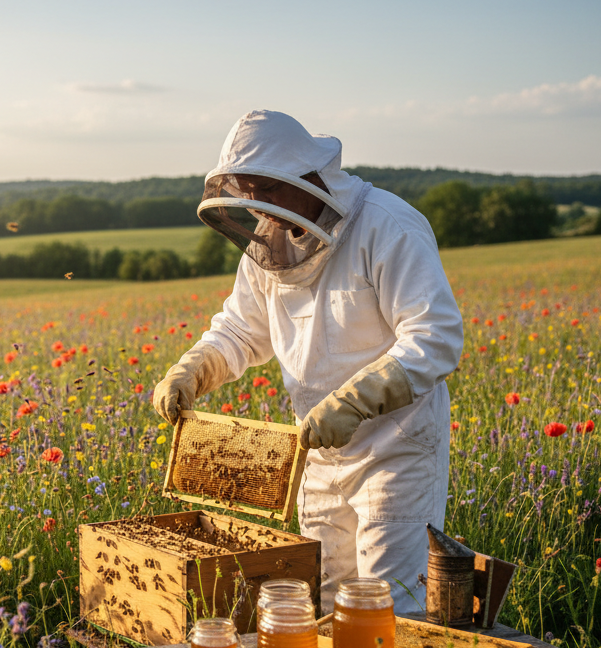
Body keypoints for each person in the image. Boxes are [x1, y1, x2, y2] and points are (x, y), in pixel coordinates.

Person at [153, 110, 463, 614]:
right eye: (247, 192)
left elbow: (435, 336)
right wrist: (194, 367)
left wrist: (356, 401)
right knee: (325, 600)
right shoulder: (268, 244)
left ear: (306, 176)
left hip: (396, 450)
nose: (258, 205)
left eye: (268, 190)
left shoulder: (386, 225)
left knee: (388, 606)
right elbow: (241, 329)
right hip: (318, 451)